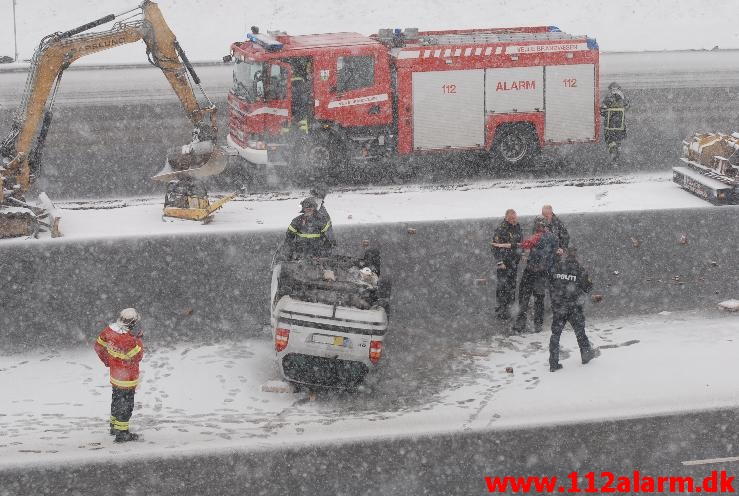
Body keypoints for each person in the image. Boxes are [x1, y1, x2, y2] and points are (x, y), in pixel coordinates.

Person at [93, 308, 144, 442]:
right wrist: (138, 339)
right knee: (126, 405)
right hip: (127, 378)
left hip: (115, 376)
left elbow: (98, 346)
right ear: (131, 323)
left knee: (116, 401)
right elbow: (138, 356)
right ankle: (122, 433)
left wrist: (107, 360)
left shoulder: (109, 331)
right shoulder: (130, 339)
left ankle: (114, 427)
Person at [548, 247, 600, 372]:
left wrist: (555, 298)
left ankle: (553, 363)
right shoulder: (580, 270)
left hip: (559, 306)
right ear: (576, 256)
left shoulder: (557, 267)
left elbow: (549, 282)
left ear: (566, 255)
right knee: (580, 332)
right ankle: (586, 355)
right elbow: (588, 287)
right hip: (573, 307)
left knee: (555, 334)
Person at [508, 218, 559, 333]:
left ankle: (521, 325)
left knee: (524, 297)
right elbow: (555, 254)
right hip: (544, 272)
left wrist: (513, 245)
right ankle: (538, 325)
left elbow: (526, 244)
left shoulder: (537, 237)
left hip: (531, 271)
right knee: (539, 299)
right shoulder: (553, 238)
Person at [491, 209, 522, 320]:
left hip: (514, 263)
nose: (514, 220)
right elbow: (495, 247)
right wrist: (500, 261)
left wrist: (521, 254)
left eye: (515, 218)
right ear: (506, 218)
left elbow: (519, 242)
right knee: (502, 287)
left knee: (512, 286)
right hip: (504, 263)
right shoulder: (501, 229)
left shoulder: (517, 227)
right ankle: (501, 310)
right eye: (512, 218)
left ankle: (509, 308)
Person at [600, 82, 630, 163]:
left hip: (615, 125)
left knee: (614, 141)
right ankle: (614, 156)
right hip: (614, 125)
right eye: (613, 88)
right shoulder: (608, 98)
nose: (614, 90)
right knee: (613, 141)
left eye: (616, 88)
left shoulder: (620, 98)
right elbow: (602, 110)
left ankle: (615, 156)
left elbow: (627, 106)